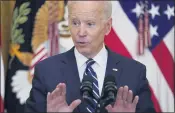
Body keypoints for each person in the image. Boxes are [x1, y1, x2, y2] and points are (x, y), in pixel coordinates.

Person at [25, 1, 155, 112]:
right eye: (75, 23)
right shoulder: (46, 71)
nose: (81, 32)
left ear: (107, 26)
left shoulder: (134, 72)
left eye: (90, 24)